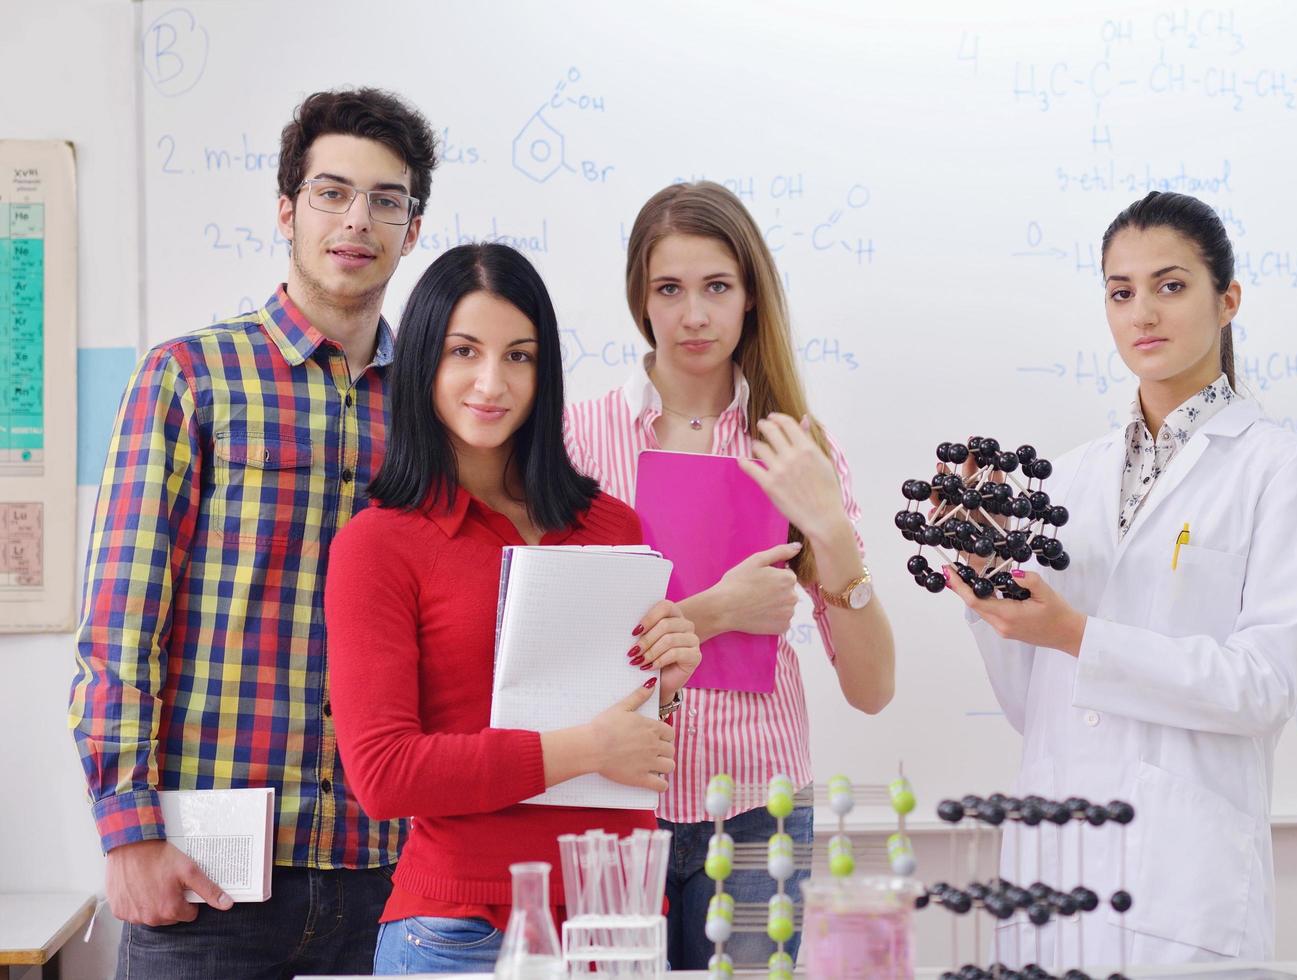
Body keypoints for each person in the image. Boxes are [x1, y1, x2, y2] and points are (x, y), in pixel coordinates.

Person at [67, 88, 437, 978]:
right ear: (286, 209)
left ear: (413, 229)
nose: (359, 220)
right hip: (209, 880)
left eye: (388, 200)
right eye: (332, 193)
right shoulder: (189, 378)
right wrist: (129, 832)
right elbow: (121, 624)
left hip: (388, 872)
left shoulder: (435, 410)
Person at [950, 191, 1297, 966]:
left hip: (1183, 890)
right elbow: (1040, 706)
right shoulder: (1065, 479)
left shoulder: (1279, 470)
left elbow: (1263, 687)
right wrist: (991, 589)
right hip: (1053, 877)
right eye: (1121, 292)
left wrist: (1077, 635)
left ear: (1226, 299)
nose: (1143, 313)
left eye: (1170, 285)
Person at [325, 242, 701, 975]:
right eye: (465, 351)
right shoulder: (378, 545)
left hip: (617, 922)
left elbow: (631, 733)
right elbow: (383, 775)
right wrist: (588, 749)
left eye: (520, 356)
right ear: (424, 362)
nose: (491, 382)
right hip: (464, 933)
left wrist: (670, 677)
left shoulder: (613, 528)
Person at [563, 181, 896, 969]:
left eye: (717, 287)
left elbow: (873, 689)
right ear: (640, 302)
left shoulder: (792, 445)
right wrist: (715, 611)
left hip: (755, 807)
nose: (695, 316)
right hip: (615, 802)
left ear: (751, 296)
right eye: (668, 290)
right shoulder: (579, 439)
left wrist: (832, 531)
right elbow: (556, 648)